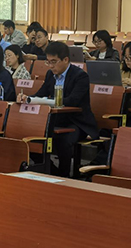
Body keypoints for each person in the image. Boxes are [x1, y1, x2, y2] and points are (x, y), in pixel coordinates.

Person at [17, 42, 99, 178]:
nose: (50, 66)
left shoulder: (80, 76)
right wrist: (27, 98)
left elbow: (72, 101)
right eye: (48, 62)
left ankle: (64, 176)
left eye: (54, 62)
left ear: (65, 59)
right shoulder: (50, 74)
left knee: (63, 140)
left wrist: (48, 102)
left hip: (76, 122)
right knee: (29, 137)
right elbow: (40, 94)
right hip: (56, 119)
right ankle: (52, 171)